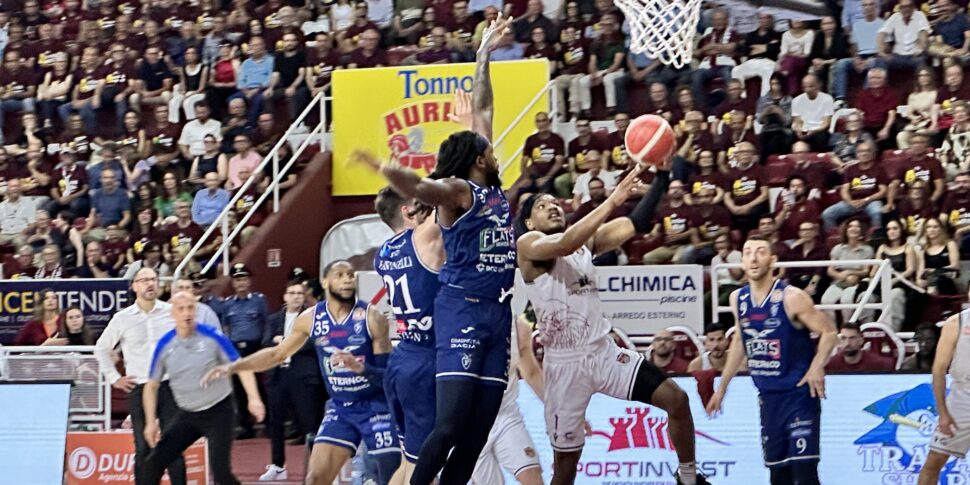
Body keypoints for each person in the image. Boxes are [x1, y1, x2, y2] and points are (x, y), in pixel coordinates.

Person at [377, 15, 519, 485]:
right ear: (479, 158)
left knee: (478, 433)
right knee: (450, 424)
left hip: (498, 315)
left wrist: (483, 54)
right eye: (489, 147)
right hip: (461, 310)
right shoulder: (460, 192)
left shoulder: (493, 188)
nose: (494, 146)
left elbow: (484, 107)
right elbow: (419, 184)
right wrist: (387, 170)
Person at [516, 158, 709, 485]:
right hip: (564, 367)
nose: (552, 207)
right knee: (565, 467)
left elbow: (635, 223)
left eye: (556, 203)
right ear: (529, 222)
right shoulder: (529, 245)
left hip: (604, 353)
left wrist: (662, 176)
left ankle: (688, 477)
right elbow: (565, 242)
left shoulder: (583, 244)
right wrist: (614, 199)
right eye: (542, 205)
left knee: (677, 399)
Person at [203, 261, 401, 485]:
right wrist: (233, 366)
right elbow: (276, 354)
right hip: (341, 407)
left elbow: (388, 378)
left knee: (390, 477)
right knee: (315, 478)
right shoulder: (310, 318)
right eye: (340, 275)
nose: (347, 279)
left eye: (350, 275)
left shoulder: (372, 318)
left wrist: (360, 368)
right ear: (325, 282)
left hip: (376, 406)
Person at [707, 236, 838, 485]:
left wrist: (817, 366)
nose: (753, 258)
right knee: (778, 475)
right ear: (742, 261)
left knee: (804, 474)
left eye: (760, 252)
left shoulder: (792, 297)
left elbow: (829, 332)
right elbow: (739, 342)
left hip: (799, 395)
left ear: (773, 260)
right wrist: (722, 387)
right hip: (768, 399)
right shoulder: (738, 299)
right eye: (747, 252)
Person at [141, 292, 265, 485]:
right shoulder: (165, 344)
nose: (186, 313)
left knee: (221, 473)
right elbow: (151, 386)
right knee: (152, 463)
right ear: (172, 313)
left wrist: (254, 399)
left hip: (219, 411)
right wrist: (150, 422)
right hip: (187, 414)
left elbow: (242, 367)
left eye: (190, 308)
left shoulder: (213, 336)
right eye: (181, 309)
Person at [372, 186, 442, 482]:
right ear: (406, 210)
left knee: (408, 460)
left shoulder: (383, 253)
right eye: (418, 203)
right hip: (425, 359)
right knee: (422, 466)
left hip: (403, 358)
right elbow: (455, 203)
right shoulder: (423, 238)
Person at [94, 267, 187, 485]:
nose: (149, 284)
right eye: (143, 280)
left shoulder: (172, 312)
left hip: (168, 386)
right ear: (134, 286)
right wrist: (114, 377)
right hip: (139, 387)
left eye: (153, 279)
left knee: (174, 444)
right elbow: (101, 348)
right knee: (143, 447)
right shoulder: (122, 318)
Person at [258, 281, 326, 481]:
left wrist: (288, 343)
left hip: (302, 376)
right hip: (279, 375)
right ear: (285, 297)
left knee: (309, 422)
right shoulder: (274, 320)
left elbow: (315, 343)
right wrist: (276, 342)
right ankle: (278, 465)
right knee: (275, 422)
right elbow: (265, 341)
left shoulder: (312, 318)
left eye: (299, 293)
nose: (296, 296)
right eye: (292, 293)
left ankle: (318, 466)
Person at [470, 317, 544, 485]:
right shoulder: (460, 320)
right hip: (470, 422)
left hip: (506, 415)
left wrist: (559, 410)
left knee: (533, 477)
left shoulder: (519, 328)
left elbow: (531, 373)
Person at [917, 302, 970, 485]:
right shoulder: (956, 323)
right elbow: (938, 370)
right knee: (934, 461)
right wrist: (943, 413)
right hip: (963, 397)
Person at [221, 263, 269, 439]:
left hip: (254, 347)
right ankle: (244, 425)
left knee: (260, 385)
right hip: (235, 349)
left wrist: (264, 346)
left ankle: (267, 422)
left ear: (249, 281)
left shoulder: (259, 300)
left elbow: (266, 323)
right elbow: (225, 327)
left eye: (243, 279)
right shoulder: (227, 304)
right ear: (233, 283)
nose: (240, 283)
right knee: (238, 389)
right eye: (237, 280)